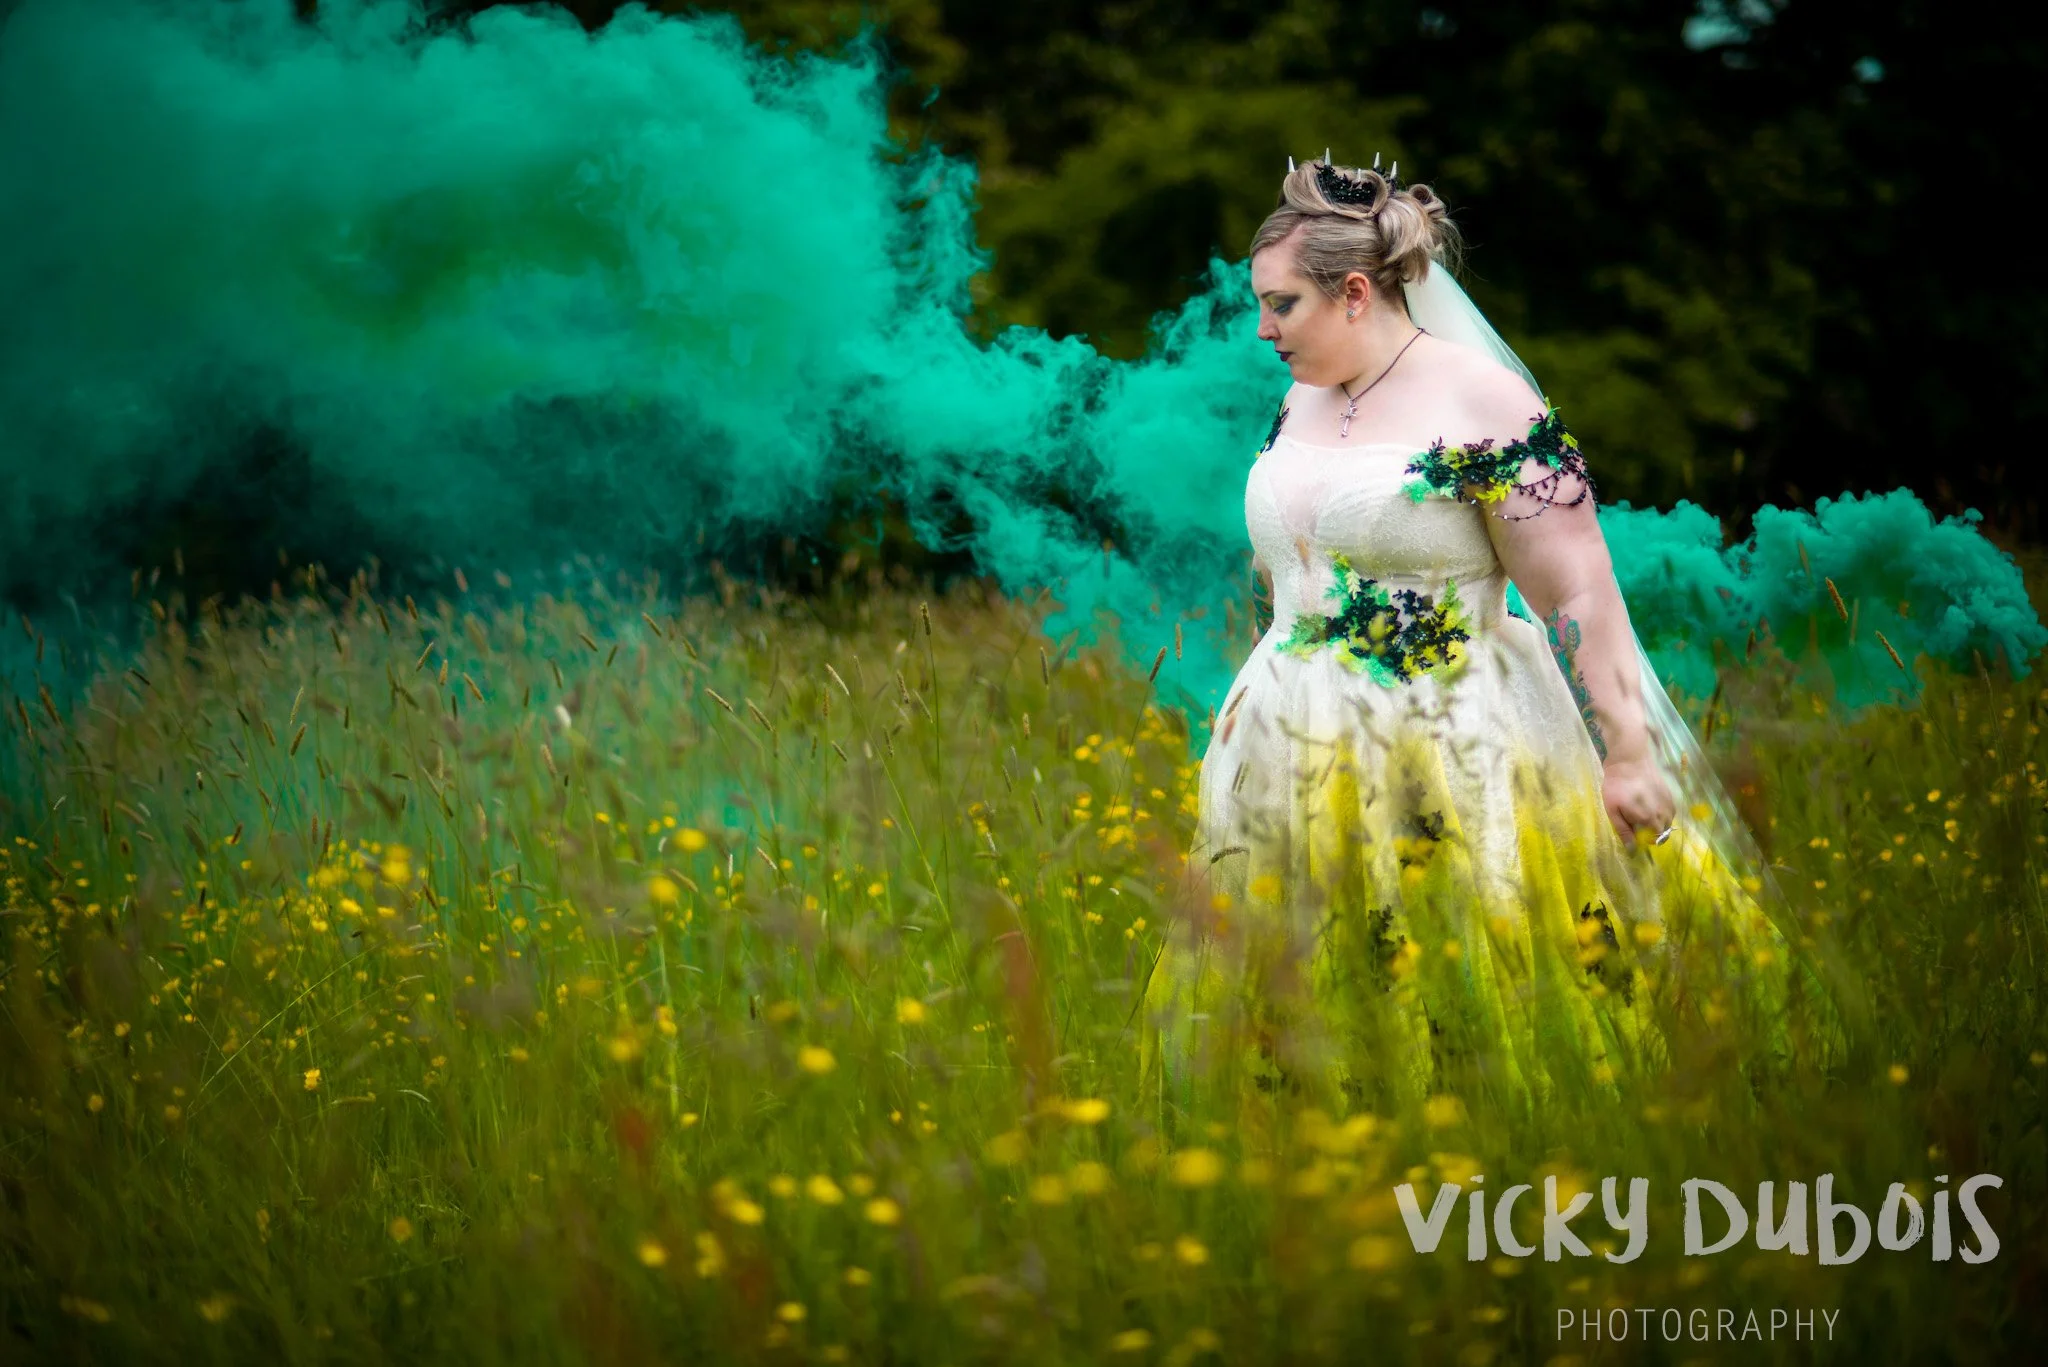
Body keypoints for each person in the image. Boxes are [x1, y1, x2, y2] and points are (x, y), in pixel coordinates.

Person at [1141, 157, 1801, 1123]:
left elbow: (1578, 583)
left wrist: (1626, 751)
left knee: (1470, 985)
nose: (1262, 329)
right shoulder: (1304, 396)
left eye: (1281, 305)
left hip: (1456, 739)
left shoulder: (1487, 406)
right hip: (1288, 749)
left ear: (1356, 291)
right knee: (1305, 1001)